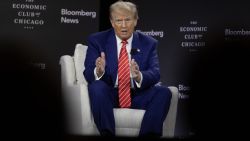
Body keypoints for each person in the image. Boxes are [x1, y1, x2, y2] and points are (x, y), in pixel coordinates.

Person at [84, 0, 172, 137]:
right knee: (97, 87)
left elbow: (155, 74)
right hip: (109, 94)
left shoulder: (149, 43)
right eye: (119, 21)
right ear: (112, 22)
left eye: (128, 20)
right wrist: (98, 71)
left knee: (164, 92)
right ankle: (107, 134)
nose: (124, 26)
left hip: (137, 95)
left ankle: (148, 135)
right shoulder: (97, 40)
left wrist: (138, 76)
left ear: (136, 21)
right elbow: (88, 73)